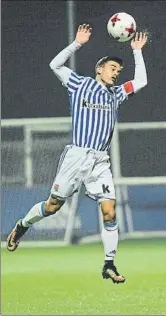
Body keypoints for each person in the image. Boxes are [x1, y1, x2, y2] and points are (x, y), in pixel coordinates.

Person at [6, 24, 149, 284]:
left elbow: (141, 81)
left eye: (118, 70)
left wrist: (137, 52)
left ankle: (109, 264)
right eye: (112, 68)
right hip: (76, 157)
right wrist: (77, 43)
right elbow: (55, 65)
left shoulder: (116, 95)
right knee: (52, 206)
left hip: (100, 161)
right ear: (99, 69)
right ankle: (22, 226)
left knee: (109, 211)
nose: (116, 73)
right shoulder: (79, 84)